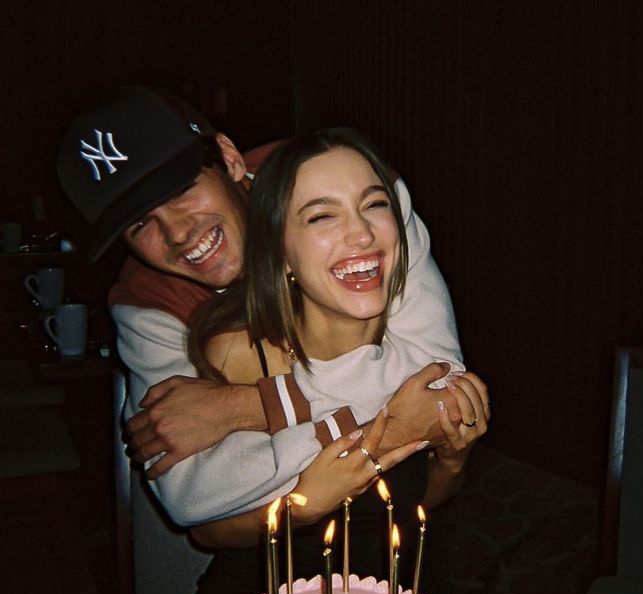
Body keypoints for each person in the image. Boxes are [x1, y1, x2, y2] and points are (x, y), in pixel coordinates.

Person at [57, 86, 479, 527]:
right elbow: (191, 495)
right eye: (139, 223)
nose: (178, 233)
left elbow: (437, 372)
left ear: (229, 156)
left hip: (400, 523)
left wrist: (248, 408)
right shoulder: (149, 305)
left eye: (180, 190)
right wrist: (391, 427)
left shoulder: (342, 186)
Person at [170, 127, 488, 594]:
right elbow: (208, 529)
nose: (362, 235)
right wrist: (304, 501)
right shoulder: (239, 353)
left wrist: (454, 461)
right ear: (281, 254)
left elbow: (418, 500)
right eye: (322, 216)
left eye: (375, 206)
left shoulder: (418, 356)